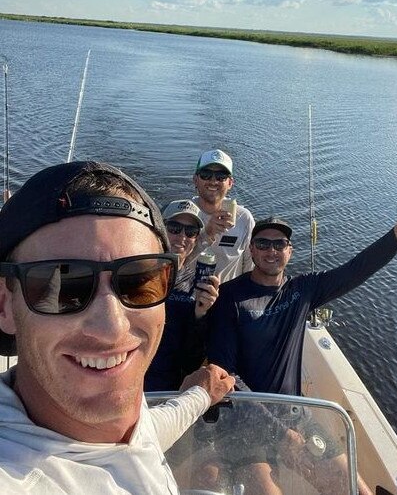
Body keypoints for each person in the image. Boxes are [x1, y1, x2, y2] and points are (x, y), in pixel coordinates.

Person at [0, 161, 234, 495]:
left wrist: (202, 395)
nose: (112, 327)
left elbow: (148, 433)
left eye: (140, 281)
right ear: (4, 305)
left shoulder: (126, 427)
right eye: (64, 286)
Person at [206, 182, 397, 495]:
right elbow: (226, 376)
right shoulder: (231, 298)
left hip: (295, 415)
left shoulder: (304, 290)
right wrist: (282, 436)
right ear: (251, 250)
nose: (271, 251)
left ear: (290, 251)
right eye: (263, 244)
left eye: (279, 244)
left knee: (355, 489)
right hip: (245, 420)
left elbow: (357, 270)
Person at [144, 199, 219, 391]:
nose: (182, 237)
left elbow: (192, 358)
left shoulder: (196, 284)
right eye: (174, 228)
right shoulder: (135, 273)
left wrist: (201, 314)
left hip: (169, 388)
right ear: (159, 230)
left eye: (191, 232)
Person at [191, 149, 255, 282]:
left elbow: (250, 267)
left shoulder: (244, 218)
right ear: (195, 180)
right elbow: (172, 262)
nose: (213, 181)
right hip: (186, 297)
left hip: (228, 298)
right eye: (206, 174)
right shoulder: (182, 215)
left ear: (230, 183)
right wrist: (207, 233)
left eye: (221, 176)